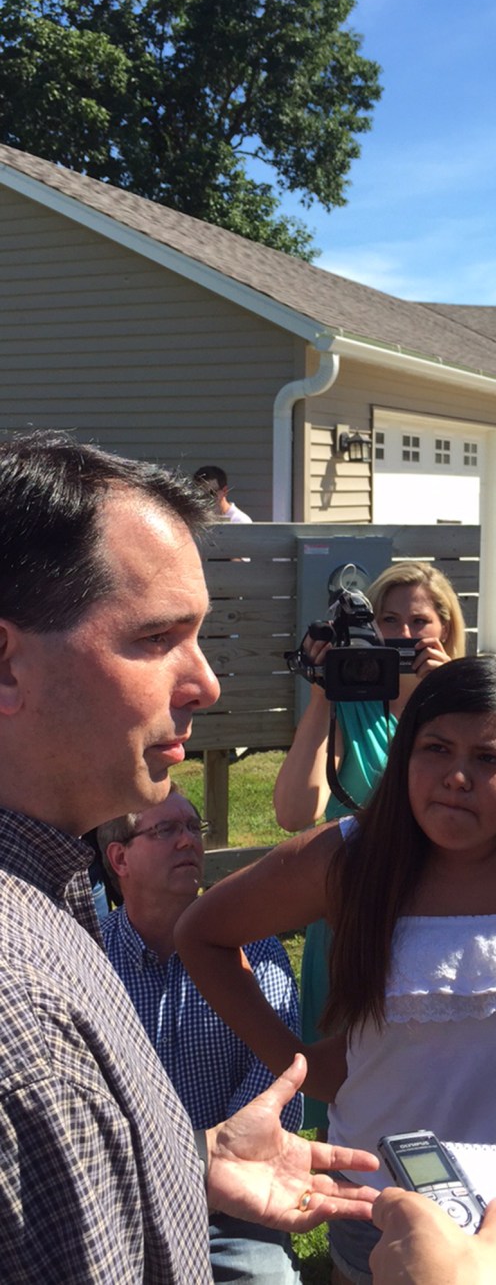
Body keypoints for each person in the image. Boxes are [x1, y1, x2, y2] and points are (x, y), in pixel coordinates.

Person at [0, 430, 377, 1282]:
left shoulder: (58, 890)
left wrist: (192, 1162)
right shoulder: (20, 1018)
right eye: (155, 639)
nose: (206, 683)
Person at [176, 656, 496, 1285]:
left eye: (490, 758)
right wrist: (300, 1062)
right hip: (381, 1200)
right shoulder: (350, 858)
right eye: (435, 748)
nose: (457, 777)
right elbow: (203, 933)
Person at [273, 560, 466, 1130]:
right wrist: (323, 697)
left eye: (420, 621)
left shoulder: (467, 705)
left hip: (435, 917)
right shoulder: (350, 703)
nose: (404, 634)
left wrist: (449, 701)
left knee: (437, 1094)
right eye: (388, 619)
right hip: (352, 918)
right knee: (351, 1098)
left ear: (447, 631)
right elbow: (291, 812)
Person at [99, 785, 306, 1284]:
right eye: (166, 829)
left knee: (265, 1279)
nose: (188, 841)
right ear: (119, 858)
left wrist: (211, 1175)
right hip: (125, 1196)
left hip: (235, 1201)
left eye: (194, 828)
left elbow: (279, 1081)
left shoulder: (252, 947)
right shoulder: (90, 954)